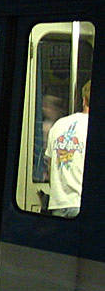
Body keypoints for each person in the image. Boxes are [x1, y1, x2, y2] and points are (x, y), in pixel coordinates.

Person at [46, 80, 90, 217]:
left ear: (84, 100)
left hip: (58, 203)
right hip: (82, 203)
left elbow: (50, 167)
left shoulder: (59, 125)